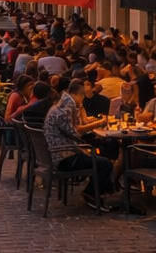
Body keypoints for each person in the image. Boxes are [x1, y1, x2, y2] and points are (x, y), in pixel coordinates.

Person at [44, 80, 116, 209]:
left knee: (99, 154)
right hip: (64, 158)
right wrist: (97, 125)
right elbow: (75, 132)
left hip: (58, 154)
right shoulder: (66, 110)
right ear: (80, 95)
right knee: (105, 163)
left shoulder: (60, 106)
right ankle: (91, 194)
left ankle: (103, 191)